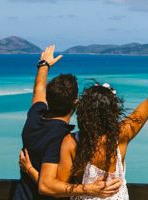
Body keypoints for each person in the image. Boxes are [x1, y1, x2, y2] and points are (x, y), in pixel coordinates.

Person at [20, 49, 148, 199]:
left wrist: (31, 170)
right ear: (113, 111)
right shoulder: (123, 134)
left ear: (82, 112)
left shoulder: (71, 143)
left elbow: (52, 187)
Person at [15, 44, 121, 200]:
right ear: (75, 103)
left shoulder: (34, 118)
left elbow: (38, 90)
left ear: (48, 99)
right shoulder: (62, 138)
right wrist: (89, 189)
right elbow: (47, 185)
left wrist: (44, 65)